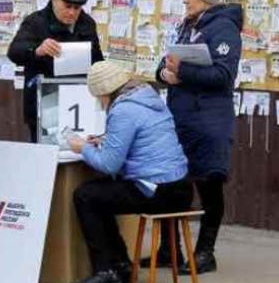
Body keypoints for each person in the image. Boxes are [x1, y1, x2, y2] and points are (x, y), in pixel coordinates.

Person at [150, 0, 243, 275]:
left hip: (209, 122)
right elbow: (169, 63)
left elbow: (222, 76)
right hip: (180, 119)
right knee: (171, 185)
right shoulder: (188, 25)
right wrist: (164, 74)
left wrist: (183, 73)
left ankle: (205, 252)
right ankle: (168, 249)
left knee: (209, 186)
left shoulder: (224, 28)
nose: (185, 0)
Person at [68, 61, 193, 283]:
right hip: (181, 187)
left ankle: (106, 270)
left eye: (99, 97)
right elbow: (145, 136)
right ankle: (120, 265)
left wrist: (83, 147)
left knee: (86, 196)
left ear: (105, 92)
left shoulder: (123, 109)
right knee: (101, 194)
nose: (100, 102)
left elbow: (109, 165)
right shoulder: (149, 97)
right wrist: (105, 140)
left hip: (156, 191)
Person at [7, 0, 104, 142]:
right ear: (54, 0)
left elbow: (96, 59)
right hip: (43, 103)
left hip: (78, 99)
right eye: (67, 6)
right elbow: (14, 52)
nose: (72, 12)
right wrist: (37, 50)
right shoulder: (35, 22)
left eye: (77, 8)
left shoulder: (87, 24)